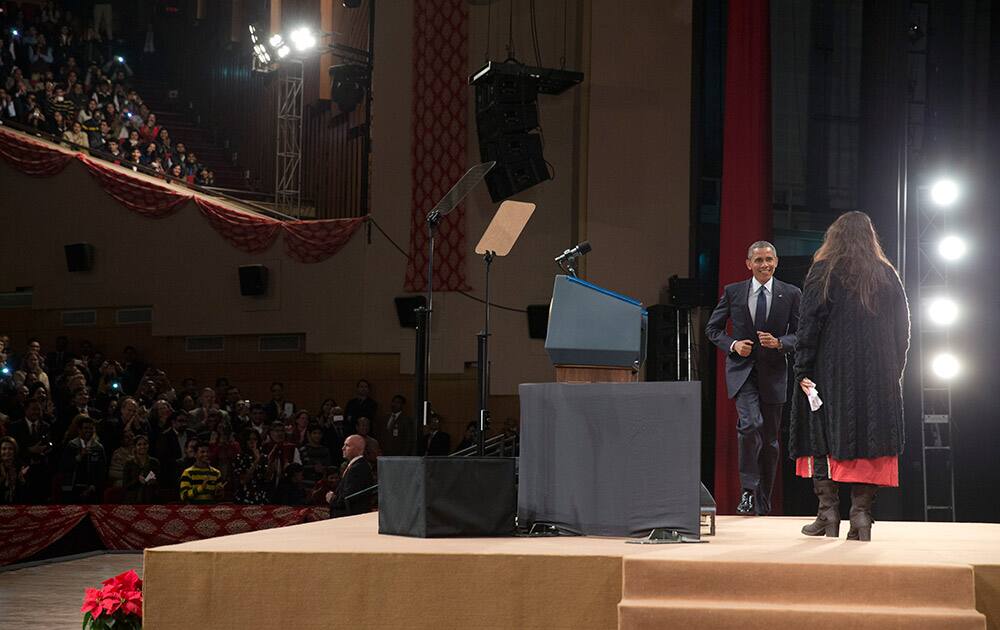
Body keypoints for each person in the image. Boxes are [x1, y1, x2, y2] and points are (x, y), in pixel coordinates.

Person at [791, 211, 910, 542]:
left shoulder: (824, 271)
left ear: (835, 237)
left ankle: (828, 514)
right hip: (879, 375)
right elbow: (904, 328)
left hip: (831, 371)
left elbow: (809, 324)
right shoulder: (886, 274)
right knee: (870, 439)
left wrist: (803, 368)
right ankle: (861, 516)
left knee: (821, 435)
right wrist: (892, 370)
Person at [706, 241, 801, 515]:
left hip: (773, 374)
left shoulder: (791, 293)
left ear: (776, 261)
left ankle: (763, 501)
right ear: (749, 264)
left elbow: (801, 333)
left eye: (769, 259)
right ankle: (748, 491)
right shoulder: (733, 292)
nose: (764, 265)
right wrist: (733, 345)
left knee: (770, 440)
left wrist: (780, 343)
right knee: (750, 425)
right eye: (758, 260)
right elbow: (713, 329)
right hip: (742, 372)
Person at [327, 434, 375, 518]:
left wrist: (332, 499)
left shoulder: (358, 468)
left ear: (358, 449)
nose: (343, 448)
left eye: (347, 445)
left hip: (350, 517)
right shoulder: (355, 466)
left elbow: (349, 497)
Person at [122, 434, 159, 504]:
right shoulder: (129, 463)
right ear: (135, 447)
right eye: (139, 444)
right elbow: (125, 486)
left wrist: (154, 481)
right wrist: (137, 480)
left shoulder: (154, 462)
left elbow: (160, 482)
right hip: (132, 500)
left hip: (151, 499)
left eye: (145, 444)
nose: (142, 447)